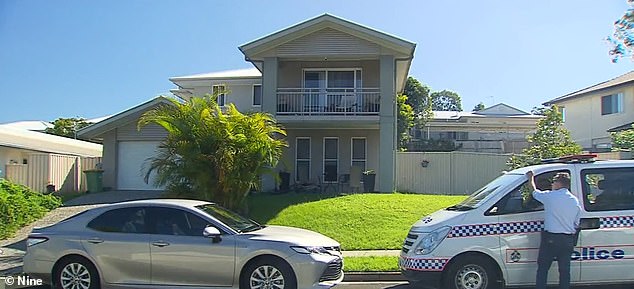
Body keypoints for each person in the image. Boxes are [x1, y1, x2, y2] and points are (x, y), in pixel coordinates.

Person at [526, 171, 581, 289]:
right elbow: (576, 223)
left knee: (543, 268)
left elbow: (534, 192)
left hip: (551, 239)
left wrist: (530, 178)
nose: (552, 184)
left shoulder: (551, 196)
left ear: (558, 183)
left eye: (553, 182)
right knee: (565, 271)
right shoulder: (574, 200)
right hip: (567, 240)